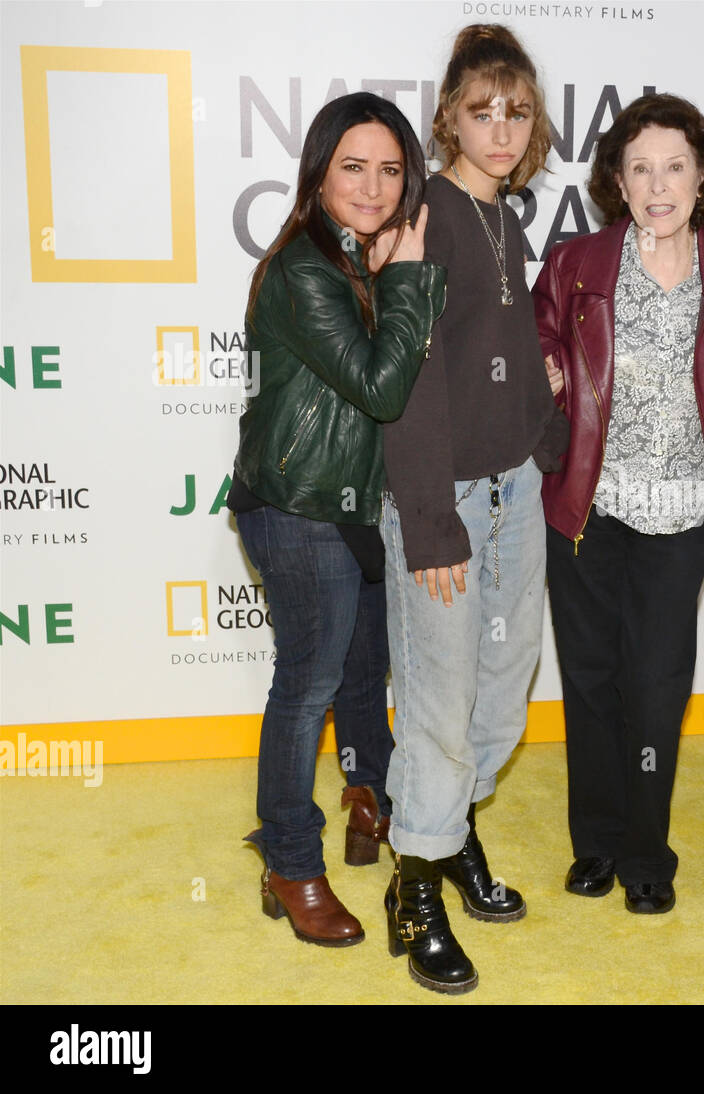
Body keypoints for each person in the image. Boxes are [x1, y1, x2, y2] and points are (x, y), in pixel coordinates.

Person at [230, 91, 443, 946]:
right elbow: (383, 387)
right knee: (309, 687)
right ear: (318, 173)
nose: (374, 185)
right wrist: (412, 279)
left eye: (391, 169)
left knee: (364, 676)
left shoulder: (353, 258)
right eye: (353, 166)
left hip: (352, 504)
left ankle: (370, 804)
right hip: (299, 505)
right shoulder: (307, 270)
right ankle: (289, 859)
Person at [381, 24, 566, 994]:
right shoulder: (427, 216)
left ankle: (447, 835)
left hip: (513, 494)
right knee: (440, 706)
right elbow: (405, 380)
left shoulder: (506, 217)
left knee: (501, 692)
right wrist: (429, 519)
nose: (501, 128)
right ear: (449, 113)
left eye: (518, 111)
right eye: (482, 109)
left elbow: (504, 353)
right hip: (443, 503)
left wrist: (543, 441)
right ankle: (414, 884)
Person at [533, 94, 704, 916]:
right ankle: (594, 842)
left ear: (702, 178)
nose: (658, 185)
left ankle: (645, 852)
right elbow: (540, 330)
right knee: (588, 678)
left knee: (658, 683)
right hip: (587, 505)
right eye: (640, 168)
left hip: (685, 510)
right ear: (618, 183)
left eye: (675, 167)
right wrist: (548, 363)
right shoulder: (579, 262)